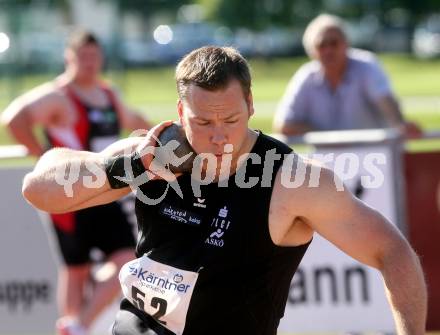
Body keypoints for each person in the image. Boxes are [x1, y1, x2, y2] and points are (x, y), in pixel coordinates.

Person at [21, 46, 426, 335]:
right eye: (202, 123)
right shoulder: (152, 153)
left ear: (250, 104)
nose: (219, 137)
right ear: (181, 113)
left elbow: (392, 252)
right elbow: (38, 188)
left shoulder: (293, 180)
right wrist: (129, 169)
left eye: (230, 119)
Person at [1, 30, 152, 334]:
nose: (89, 63)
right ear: (68, 58)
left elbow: (138, 123)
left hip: (105, 192)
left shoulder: (108, 95)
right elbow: (13, 119)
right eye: (82, 57)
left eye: (94, 56)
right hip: (69, 194)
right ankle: (75, 325)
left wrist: (171, 144)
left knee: (127, 257)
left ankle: (77, 325)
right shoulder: (58, 96)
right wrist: (42, 156)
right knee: (75, 268)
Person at [273, 14, 421, 138]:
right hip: (327, 163)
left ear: (346, 44)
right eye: (322, 45)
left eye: (334, 43)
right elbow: (282, 125)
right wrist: (329, 138)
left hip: (373, 158)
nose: (328, 50)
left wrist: (399, 124)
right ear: (311, 51)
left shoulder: (366, 66)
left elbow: (385, 100)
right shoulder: (305, 76)